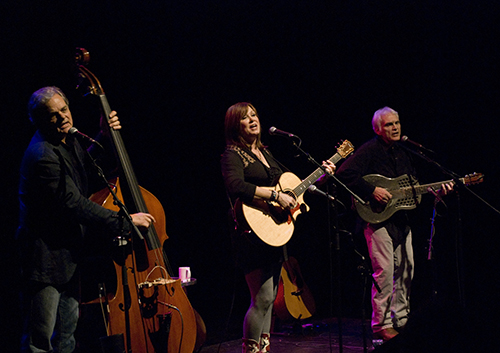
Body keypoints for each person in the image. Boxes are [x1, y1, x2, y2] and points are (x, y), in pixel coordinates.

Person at [17, 86, 155, 353]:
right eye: (53, 115)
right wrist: (125, 221)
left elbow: (83, 168)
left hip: (68, 257)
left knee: (66, 336)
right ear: (39, 121)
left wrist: (105, 134)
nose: (62, 118)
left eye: (64, 110)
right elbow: (74, 204)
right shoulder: (42, 155)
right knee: (40, 341)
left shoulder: (65, 141)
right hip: (44, 261)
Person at [220, 102, 335, 353]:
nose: (252, 120)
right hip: (250, 234)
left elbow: (292, 188)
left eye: (254, 115)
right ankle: (250, 350)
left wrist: (322, 175)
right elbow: (235, 186)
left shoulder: (265, 153)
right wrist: (273, 196)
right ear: (234, 125)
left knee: (270, 299)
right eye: (244, 117)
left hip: (272, 231)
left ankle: (264, 347)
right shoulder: (232, 154)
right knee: (260, 299)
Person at [335, 106, 452, 343]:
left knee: (407, 271)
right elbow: (344, 172)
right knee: (385, 274)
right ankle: (381, 324)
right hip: (376, 221)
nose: (395, 127)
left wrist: (436, 192)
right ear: (378, 129)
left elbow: (410, 188)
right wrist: (372, 190)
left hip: (401, 220)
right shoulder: (369, 150)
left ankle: (401, 319)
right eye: (389, 124)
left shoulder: (405, 152)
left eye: (397, 123)